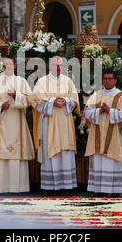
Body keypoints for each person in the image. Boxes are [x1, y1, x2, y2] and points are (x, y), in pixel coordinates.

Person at [0, 57, 35, 193]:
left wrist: (16, 95)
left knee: (17, 152)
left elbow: (30, 100)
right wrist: (0, 106)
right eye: (6, 65)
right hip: (0, 122)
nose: (9, 67)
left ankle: (17, 186)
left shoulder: (21, 81)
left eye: (11, 64)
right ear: (2, 67)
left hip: (17, 121)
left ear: (15, 66)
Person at [31, 56, 80, 194]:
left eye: (60, 66)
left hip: (64, 120)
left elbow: (75, 99)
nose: (58, 68)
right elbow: (35, 100)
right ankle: (49, 186)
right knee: (49, 151)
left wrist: (66, 101)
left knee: (65, 151)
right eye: (55, 65)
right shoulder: (42, 82)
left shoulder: (68, 81)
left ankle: (66, 186)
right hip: (49, 121)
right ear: (50, 66)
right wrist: (52, 102)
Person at [84, 70, 122, 196]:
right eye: (105, 78)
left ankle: (114, 190)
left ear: (115, 80)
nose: (107, 81)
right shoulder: (96, 95)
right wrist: (98, 111)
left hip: (115, 135)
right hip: (98, 133)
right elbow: (87, 113)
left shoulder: (121, 96)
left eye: (110, 78)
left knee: (113, 160)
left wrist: (110, 111)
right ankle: (99, 189)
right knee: (99, 160)